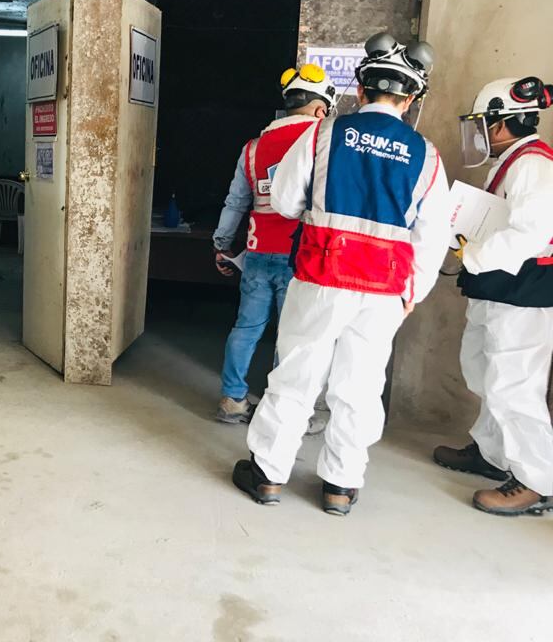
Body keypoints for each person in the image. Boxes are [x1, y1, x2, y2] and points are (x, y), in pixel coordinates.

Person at [231, 32, 451, 516]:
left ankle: (268, 476)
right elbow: (433, 236)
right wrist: (412, 292)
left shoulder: (322, 133)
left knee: (296, 374)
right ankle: (340, 486)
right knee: (360, 386)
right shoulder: (427, 155)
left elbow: (283, 201)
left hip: (319, 277)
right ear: (410, 99)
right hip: (384, 289)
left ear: (360, 87)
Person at [433, 76, 553, 516]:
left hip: (523, 291)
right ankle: (493, 453)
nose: (479, 134)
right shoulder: (514, 162)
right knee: (484, 370)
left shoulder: (534, 167)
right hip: (500, 286)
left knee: (514, 385)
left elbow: (530, 234)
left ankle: (537, 481)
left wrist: (473, 253)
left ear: (500, 124)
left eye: (482, 124)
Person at [213, 65, 337, 433]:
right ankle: (289, 413)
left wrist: (222, 244)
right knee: (294, 338)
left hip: (256, 253)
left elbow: (236, 202)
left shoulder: (252, 148)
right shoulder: (322, 142)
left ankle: (232, 400)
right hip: (302, 257)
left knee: (246, 328)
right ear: (321, 109)